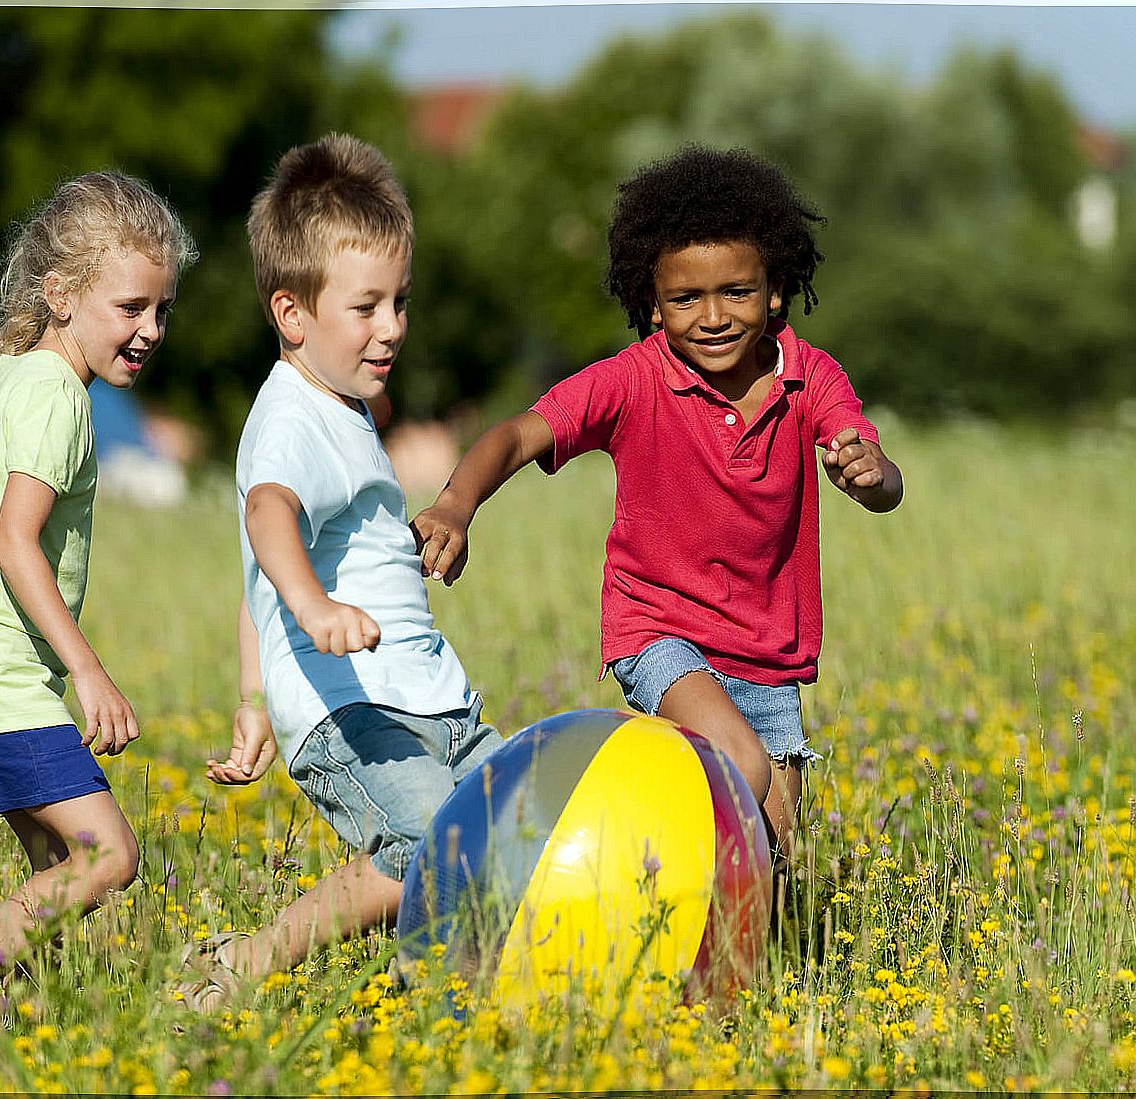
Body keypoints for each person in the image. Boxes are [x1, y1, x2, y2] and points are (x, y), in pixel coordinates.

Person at [412, 146, 903, 857]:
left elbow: (881, 477)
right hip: (659, 630)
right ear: (651, 301)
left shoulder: (810, 376)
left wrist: (869, 471)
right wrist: (456, 505)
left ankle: (722, 961)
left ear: (774, 289)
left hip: (770, 652)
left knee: (777, 851)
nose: (713, 317)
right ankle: (615, 871)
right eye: (685, 298)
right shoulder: (632, 380)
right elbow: (520, 434)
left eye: (736, 291)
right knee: (738, 761)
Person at [177, 134, 502, 1009]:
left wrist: (250, 698)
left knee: (518, 831)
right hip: (350, 709)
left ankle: (262, 964)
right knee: (442, 843)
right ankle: (422, 1010)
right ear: (293, 312)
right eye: (367, 307)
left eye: (400, 301)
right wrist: (316, 607)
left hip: (432, 699)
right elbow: (267, 520)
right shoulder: (290, 421)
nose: (392, 326)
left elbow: (257, 575)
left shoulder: (342, 407)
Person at [0, 171, 197, 990]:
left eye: (162, 310)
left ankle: (33, 1020)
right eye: (130, 308)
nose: (149, 330)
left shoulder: (25, 378)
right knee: (111, 854)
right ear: (61, 294)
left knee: (59, 869)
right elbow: (14, 541)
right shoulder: (57, 397)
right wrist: (88, 669)